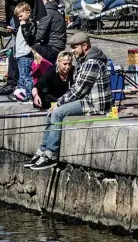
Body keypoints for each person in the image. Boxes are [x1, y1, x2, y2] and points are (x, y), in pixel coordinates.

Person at [26, 32, 111, 170]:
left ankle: (51, 155)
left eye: (75, 47)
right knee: (52, 111)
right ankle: (43, 151)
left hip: (95, 104)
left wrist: (59, 103)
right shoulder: (85, 61)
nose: (72, 50)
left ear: (85, 46)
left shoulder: (92, 62)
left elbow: (79, 90)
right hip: (86, 100)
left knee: (57, 112)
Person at [12, 2, 35, 101]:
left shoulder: (30, 24)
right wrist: (13, 31)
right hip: (20, 54)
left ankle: (29, 94)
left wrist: (24, 26)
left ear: (28, 13)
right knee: (21, 76)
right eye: (18, 17)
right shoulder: (23, 25)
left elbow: (29, 38)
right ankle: (21, 93)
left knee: (26, 77)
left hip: (25, 54)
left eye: (21, 16)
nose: (19, 19)